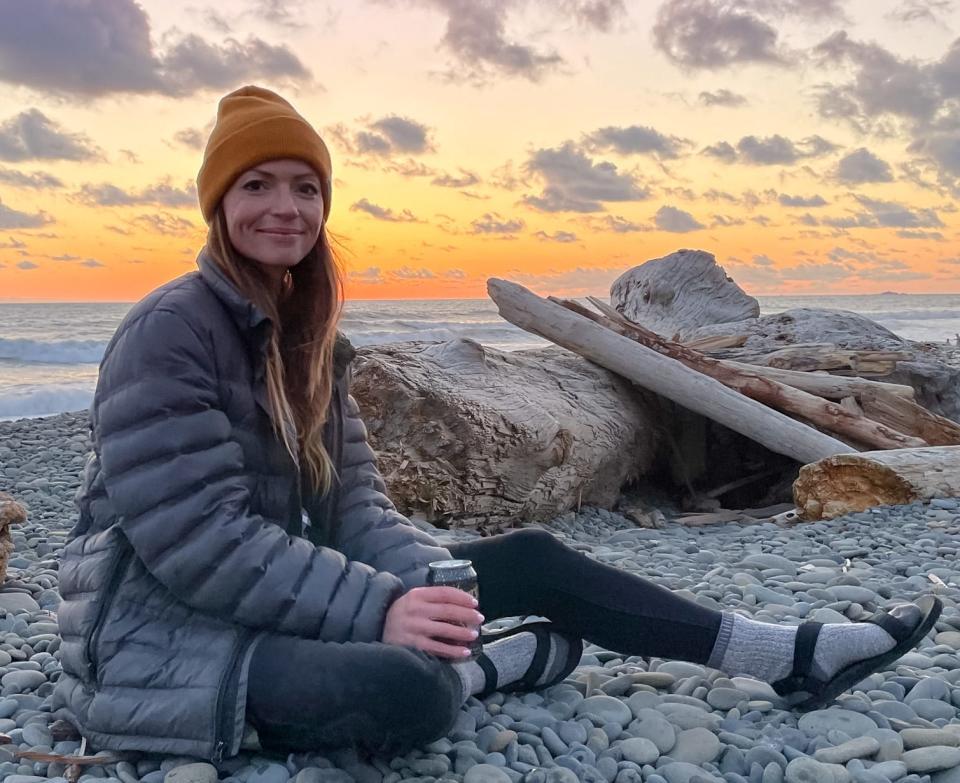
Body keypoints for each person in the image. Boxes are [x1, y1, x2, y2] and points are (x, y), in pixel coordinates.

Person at [51, 86, 942, 763]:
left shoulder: (310, 338)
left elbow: (357, 511)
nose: (285, 207)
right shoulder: (169, 331)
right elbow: (200, 543)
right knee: (406, 690)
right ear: (219, 204)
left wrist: (417, 587)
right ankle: (492, 666)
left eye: (304, 187)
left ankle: (787, 653)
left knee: (530, 560)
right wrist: (384, 610)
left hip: (279, 599)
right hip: (160, 639)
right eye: (257, 185)